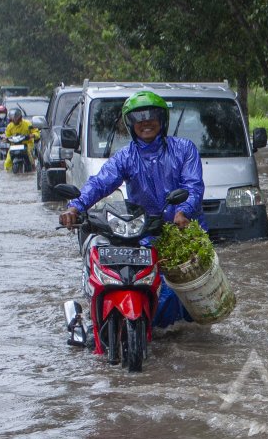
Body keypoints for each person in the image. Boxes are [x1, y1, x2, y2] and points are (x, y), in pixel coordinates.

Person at [59, 90, 205, 329]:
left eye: (151, 117)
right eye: (139, 118)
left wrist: (184, 211)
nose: (146, 122)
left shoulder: (184, 149)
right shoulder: (125, 156)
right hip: (143, 233)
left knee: (175, 297)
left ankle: (174, 334)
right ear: (131, 124)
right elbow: (100, 183)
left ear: (162, 120)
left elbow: (194, 186)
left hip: (182, 232)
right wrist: (75, 206)